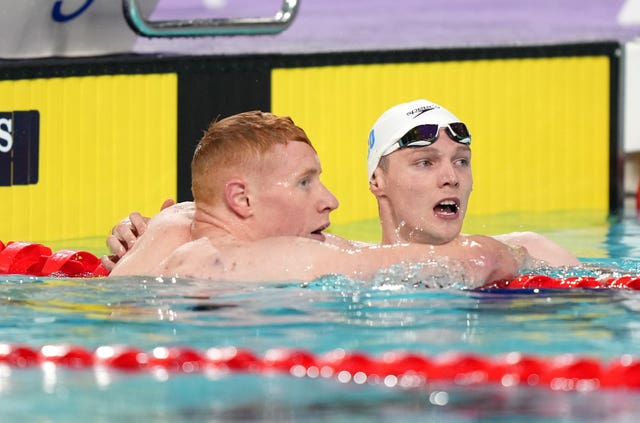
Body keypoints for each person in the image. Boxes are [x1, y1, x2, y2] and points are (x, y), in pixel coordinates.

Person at [108, 111, 525, 285]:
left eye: (461, 162)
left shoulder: (172, 229)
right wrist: (506, 253)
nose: (331, 200)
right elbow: (477, 260)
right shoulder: (262, 260)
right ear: (242, 200)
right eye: (306, 182)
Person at [366, 99, 579, 266]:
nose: (451, 178)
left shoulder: (528, 254)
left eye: (461, 161)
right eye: (425, 163)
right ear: (377, 180)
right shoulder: (351, 267)